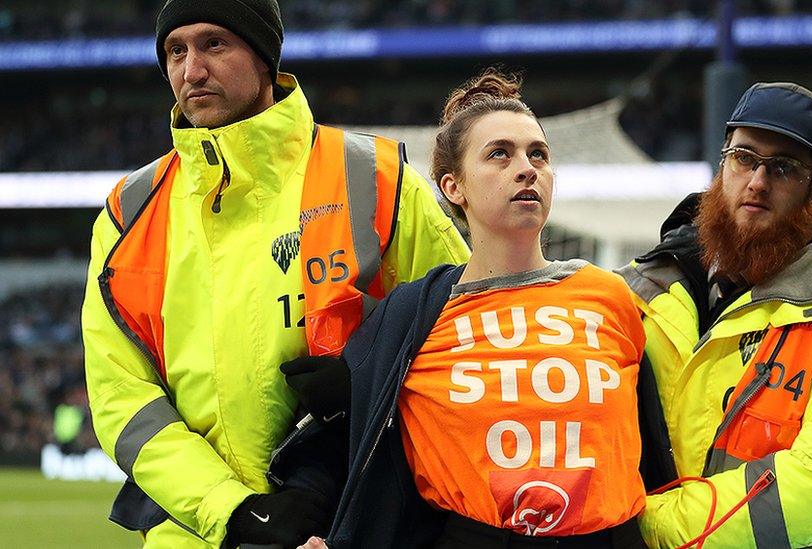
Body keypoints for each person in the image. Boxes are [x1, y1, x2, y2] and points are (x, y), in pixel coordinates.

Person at [80, 0, 469, 547]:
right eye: (176, 50)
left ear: (265, 57)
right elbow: (122, 396)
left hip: (350, 524)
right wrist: (233, 511)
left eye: (215, 43)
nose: (191, 70)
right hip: (198, 534)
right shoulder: (129, 212)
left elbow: (468, 334)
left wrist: (372, 379)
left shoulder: (377, 180)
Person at [283, 69, 675, 549]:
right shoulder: (411, 318)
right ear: (454, 187)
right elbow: (342, 443)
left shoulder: (608, 296)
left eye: (538, 154)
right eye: (499, 154)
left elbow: (650, 446)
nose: (527, 167)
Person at [617, 82, 812, 547]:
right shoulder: (635, 291)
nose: (757, 181)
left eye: (782, 167)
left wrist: (650, 527)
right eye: (744, 157)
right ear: (722, 165)